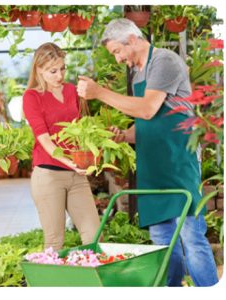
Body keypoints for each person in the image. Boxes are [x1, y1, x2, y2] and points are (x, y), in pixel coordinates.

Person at [77, 19, 218, 287]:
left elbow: (148, 109)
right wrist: (127, 135)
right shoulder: (138, 71)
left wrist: (99, 92)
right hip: (153, 168)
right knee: (163, 242)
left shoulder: (164, 61)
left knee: (191, 238)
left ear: (131, 39)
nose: (118, 59)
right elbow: (148, 122)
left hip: (178, 161)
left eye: (118, 51)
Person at [23, 42, 100, 251]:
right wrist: (70, 162)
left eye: (62, 69)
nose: (60, 75)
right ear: (38, 70)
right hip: (48, 175)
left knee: (94, 235)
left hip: (76, 174)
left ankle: (91, 281)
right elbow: (44, 139)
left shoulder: (70, 91)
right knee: (55, 241)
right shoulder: (31, 97)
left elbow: (79, 128)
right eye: (52, 71)